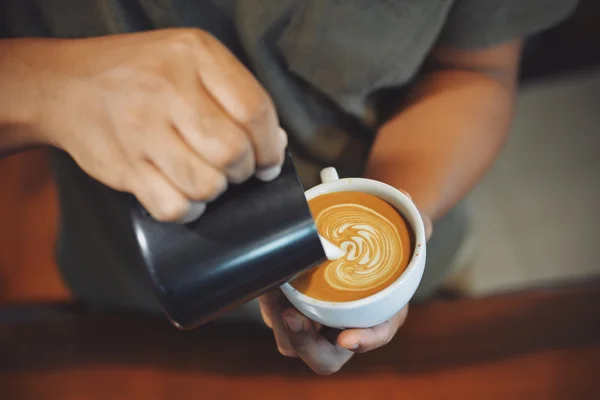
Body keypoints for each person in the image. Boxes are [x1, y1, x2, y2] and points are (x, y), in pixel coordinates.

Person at [0, 0, 578, 375]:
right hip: (134, 302)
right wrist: (41, 87)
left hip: (410, 300)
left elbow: (476, 69)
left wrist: (399, 220)